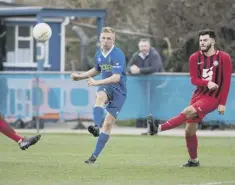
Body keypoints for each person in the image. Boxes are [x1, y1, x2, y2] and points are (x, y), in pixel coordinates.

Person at [147, 29, 232, 167]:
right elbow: (194, 80)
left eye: (205, 40)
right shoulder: (194, 58)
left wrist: (222, 103)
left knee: (188, 111)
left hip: (212, 98)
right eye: (200, 41)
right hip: (198, 96)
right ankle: (194, 161)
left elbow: (227, 81)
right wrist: (207, 83)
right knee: (189, 131)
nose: (202, 43)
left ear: (213, 41)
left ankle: (157, 128)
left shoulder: (223, 57)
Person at [71, 27, 127, 164]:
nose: (105, 41)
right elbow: (96, 69)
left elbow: (116, 78)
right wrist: (80, 76)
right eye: (103, 38)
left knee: (108, 124)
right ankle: (96, 126)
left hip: (119, 90)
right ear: (100, 39)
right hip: (106, 86)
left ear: (113, 40)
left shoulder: (118, 54)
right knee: (100, 96)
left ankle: (94, 156)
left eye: (109, 38)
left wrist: (97, 83)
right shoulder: (99, 55)